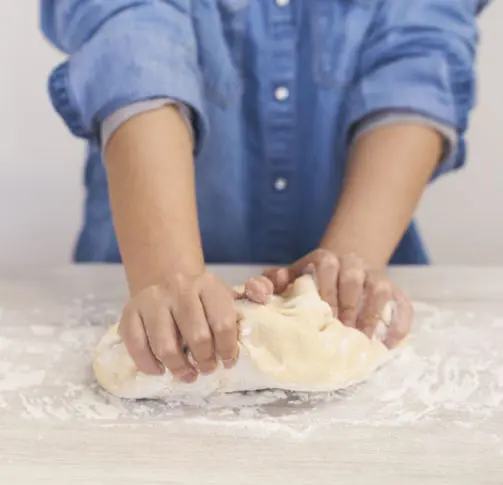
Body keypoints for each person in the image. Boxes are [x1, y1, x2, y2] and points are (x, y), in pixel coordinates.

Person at [41, 0, 489, 384]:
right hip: (127, 282)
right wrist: (165, 271)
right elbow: (133, 41)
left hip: (372, 253)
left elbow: (418, 59)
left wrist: (349, 265)